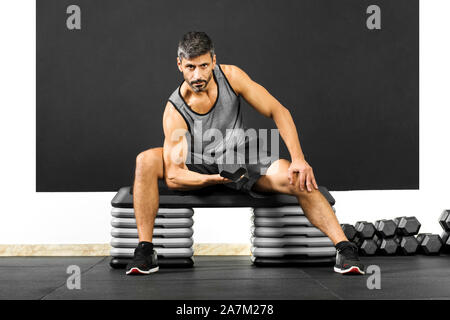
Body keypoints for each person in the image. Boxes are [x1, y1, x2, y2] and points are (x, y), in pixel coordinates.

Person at [126, 31, 364, 275]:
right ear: (179, 65)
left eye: (203, 66)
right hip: (197, 163)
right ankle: (145, 251)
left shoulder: (231, 77)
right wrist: (215, 179)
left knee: (296, 177)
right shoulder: (175, 109)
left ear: (214, 61)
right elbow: (175, 177)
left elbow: (278, 111)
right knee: (145, 160)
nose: (197, 75)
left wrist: (299, 159)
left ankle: (344, 249)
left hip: (239, 157)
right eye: (190, 67)